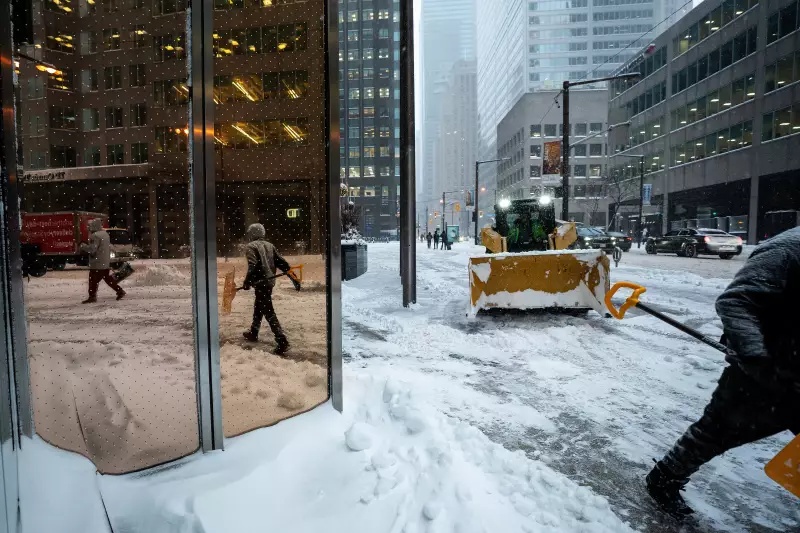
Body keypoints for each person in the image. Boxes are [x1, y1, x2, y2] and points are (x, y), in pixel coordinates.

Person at [646, 227, 800, 518]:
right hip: (763, 369)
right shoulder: (788, 250)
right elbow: (736, 302)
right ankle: (663, 479)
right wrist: (756, 356)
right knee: (716, 431)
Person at [241, 223, 297, 355]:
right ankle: (254, 332)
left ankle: (282, 340)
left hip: (261, 283)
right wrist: (293, 277)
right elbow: (281, 262)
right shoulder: (270, 245)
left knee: (268, 310)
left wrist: (247, 281)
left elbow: (252, 265)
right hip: (269, 282)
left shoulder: (251, 247)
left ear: (252, 234)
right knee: (259, 305)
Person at [81, 219, 125, 304]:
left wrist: (82, 246)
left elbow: (92, 249)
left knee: (92, 280)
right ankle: (120, 291)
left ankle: (92, 297)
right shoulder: (105, 234)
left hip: (97, 263)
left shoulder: (95, 236)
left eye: (89, 226)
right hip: (105, 261)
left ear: (94, 226)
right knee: (107, 278)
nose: (88, 228)